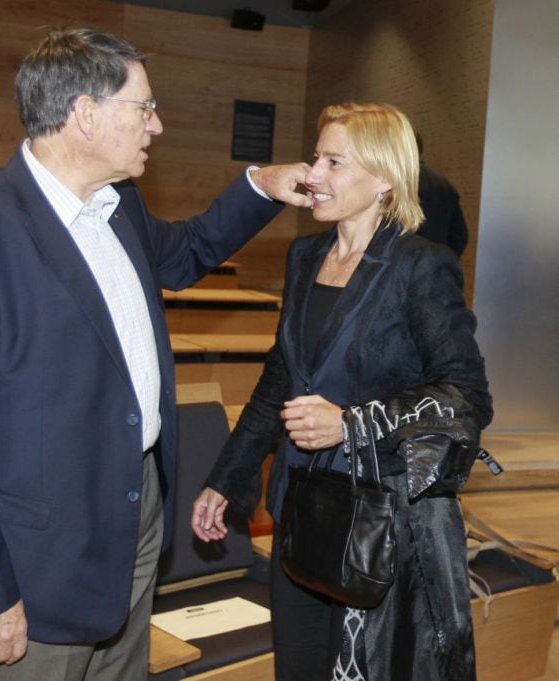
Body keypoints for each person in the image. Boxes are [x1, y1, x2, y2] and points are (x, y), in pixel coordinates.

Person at [0, 26, 312, 681]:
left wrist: (261, 183)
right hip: (38, 550)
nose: (157, 125)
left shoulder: (121, 208)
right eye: (142, 107)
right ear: (84, 115)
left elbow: (191, 252)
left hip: (134, 506)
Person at [192, 102, 493, 681]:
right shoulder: (304, 256)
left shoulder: (419, 266)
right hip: (299, 509)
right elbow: (280, 380)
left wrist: (352, 422)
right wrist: (225, 480)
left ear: (384, 179)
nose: (313, 174)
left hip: (379, 521)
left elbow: (468, 397)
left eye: (334, 161)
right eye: (315, 158)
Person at [415, 131, 469, 257]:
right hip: (436, 267)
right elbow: (460, 236)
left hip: (402, 270)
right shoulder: (446, 184)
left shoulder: (392, 184)